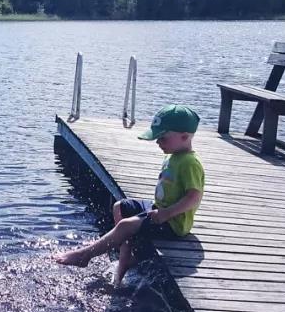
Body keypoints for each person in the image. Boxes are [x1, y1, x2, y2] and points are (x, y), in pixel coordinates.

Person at [55, 105, 205, 285]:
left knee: (126, 225)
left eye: (162, 138)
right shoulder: (173, 155)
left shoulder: (190, 163)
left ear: (184, 136)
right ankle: (126, 253)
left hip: (173, 222)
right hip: (160, 209)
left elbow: (194, 198)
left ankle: (85, 255)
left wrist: (167, 213)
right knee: (121, 206)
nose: (158, 142)